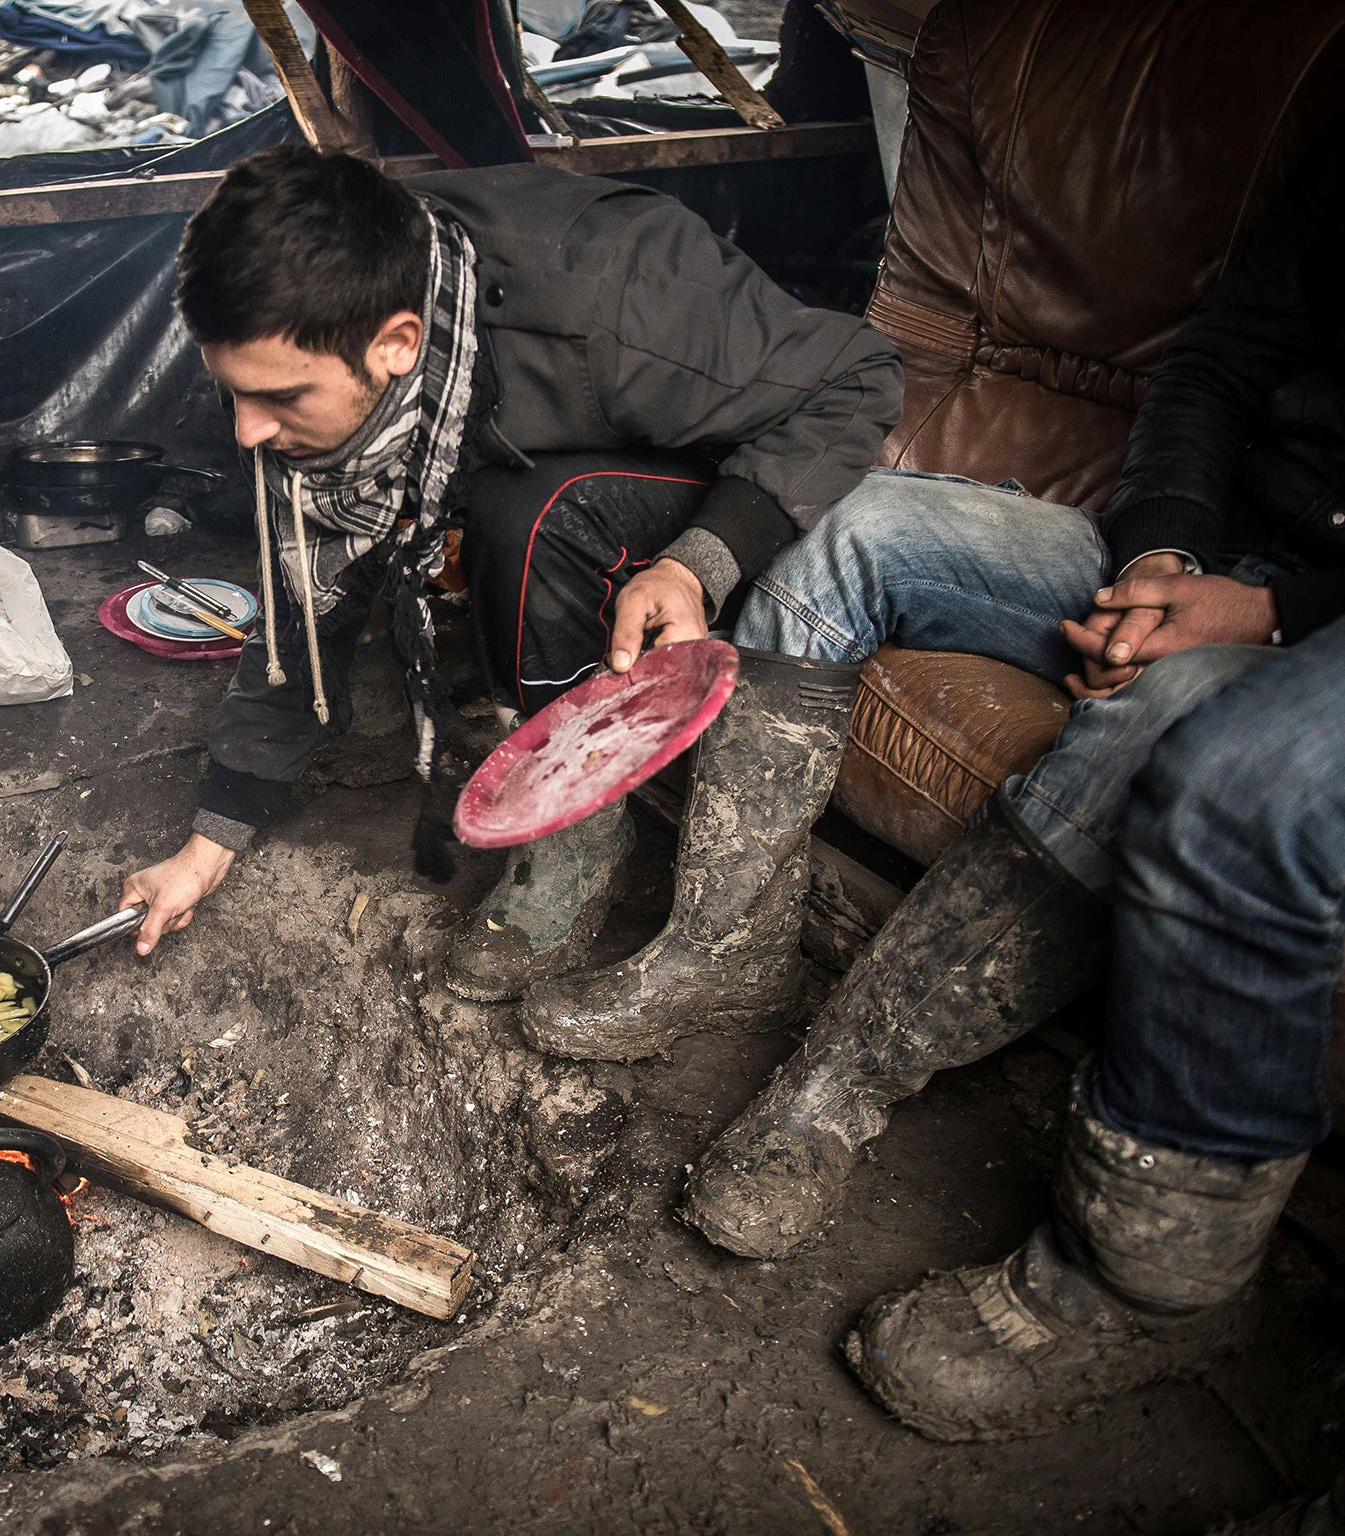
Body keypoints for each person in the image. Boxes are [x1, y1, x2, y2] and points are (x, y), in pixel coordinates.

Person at [673, 122, 1344, 1439]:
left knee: (1173, 715)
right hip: (1206, 544)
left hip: (1309, 626)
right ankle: (721, 946)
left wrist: (1255, 620)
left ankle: (835, 1092)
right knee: (855, 533)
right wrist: (1161, 557)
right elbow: (1217, 362)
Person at [120, 144, 902, 1034]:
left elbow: (858, 379)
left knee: (527, 515)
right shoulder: (295, 334)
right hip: (526, 434)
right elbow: (299, 613)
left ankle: (578, 823)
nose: (247, 430)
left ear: (398, 345)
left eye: (281, 399)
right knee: (490, 500)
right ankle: (551, 785)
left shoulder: (625, 298)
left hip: (713, 464)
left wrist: (700, 559)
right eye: (233, 394)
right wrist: (207, 847)